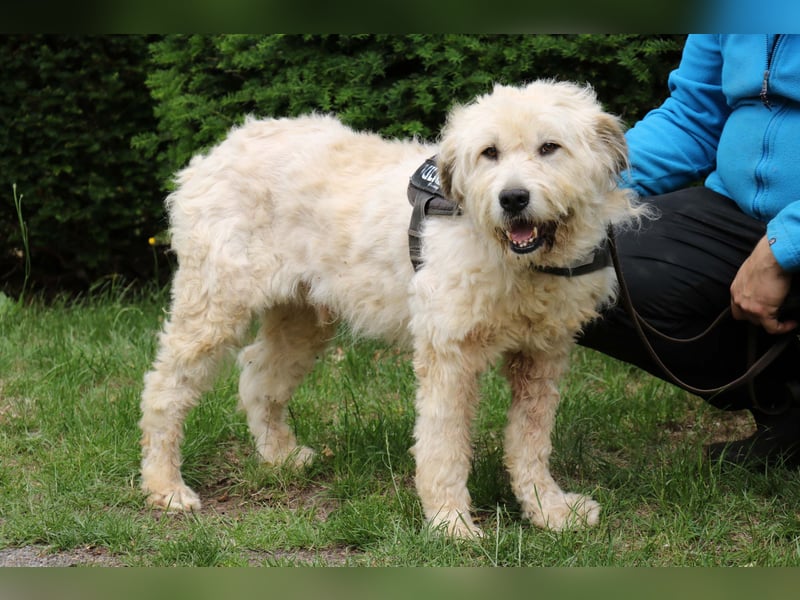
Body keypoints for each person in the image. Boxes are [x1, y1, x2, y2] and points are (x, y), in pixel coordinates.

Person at [579, 34, 800, 466]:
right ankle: (790, 406)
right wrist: (570, 185)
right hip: (736, 210)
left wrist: (785, 246)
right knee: (580, 262)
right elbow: (693, 118)